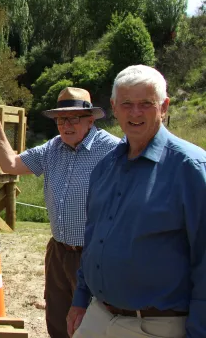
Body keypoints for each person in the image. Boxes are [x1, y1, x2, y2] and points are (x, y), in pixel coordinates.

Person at [67, 65, 206, 338]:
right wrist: (81, 299)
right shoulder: (106, 166)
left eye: (146, 104)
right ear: (114, 107)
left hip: (155, 325)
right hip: (98, 315)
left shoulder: (191, 168)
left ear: (164, 106)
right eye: (127, 104)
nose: (135, 113)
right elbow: (94, 238)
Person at [0, 87, 119, 338]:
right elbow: (11, 164)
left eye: (74, 118)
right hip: (58, 252)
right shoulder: (53, 148)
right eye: (61, 119)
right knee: (58, 320)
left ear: (90, 119)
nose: (66, 125)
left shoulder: (113, 150)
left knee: (95, 324)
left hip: (95, 254)